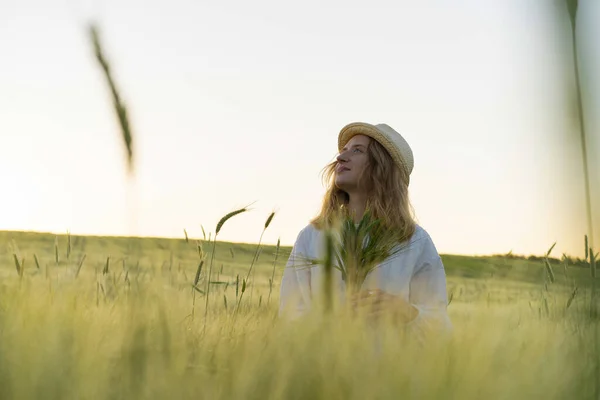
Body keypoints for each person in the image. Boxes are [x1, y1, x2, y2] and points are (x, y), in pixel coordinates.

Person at [279, 122, 452, 339]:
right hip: (324, 370)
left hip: (391, 371)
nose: (340, 158)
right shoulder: (312, 236)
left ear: (382, 168)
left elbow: (441, 327)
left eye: (357, 150)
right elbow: (290, 317)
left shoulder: (415, 241)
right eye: (342, 151)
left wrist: (406, 312)